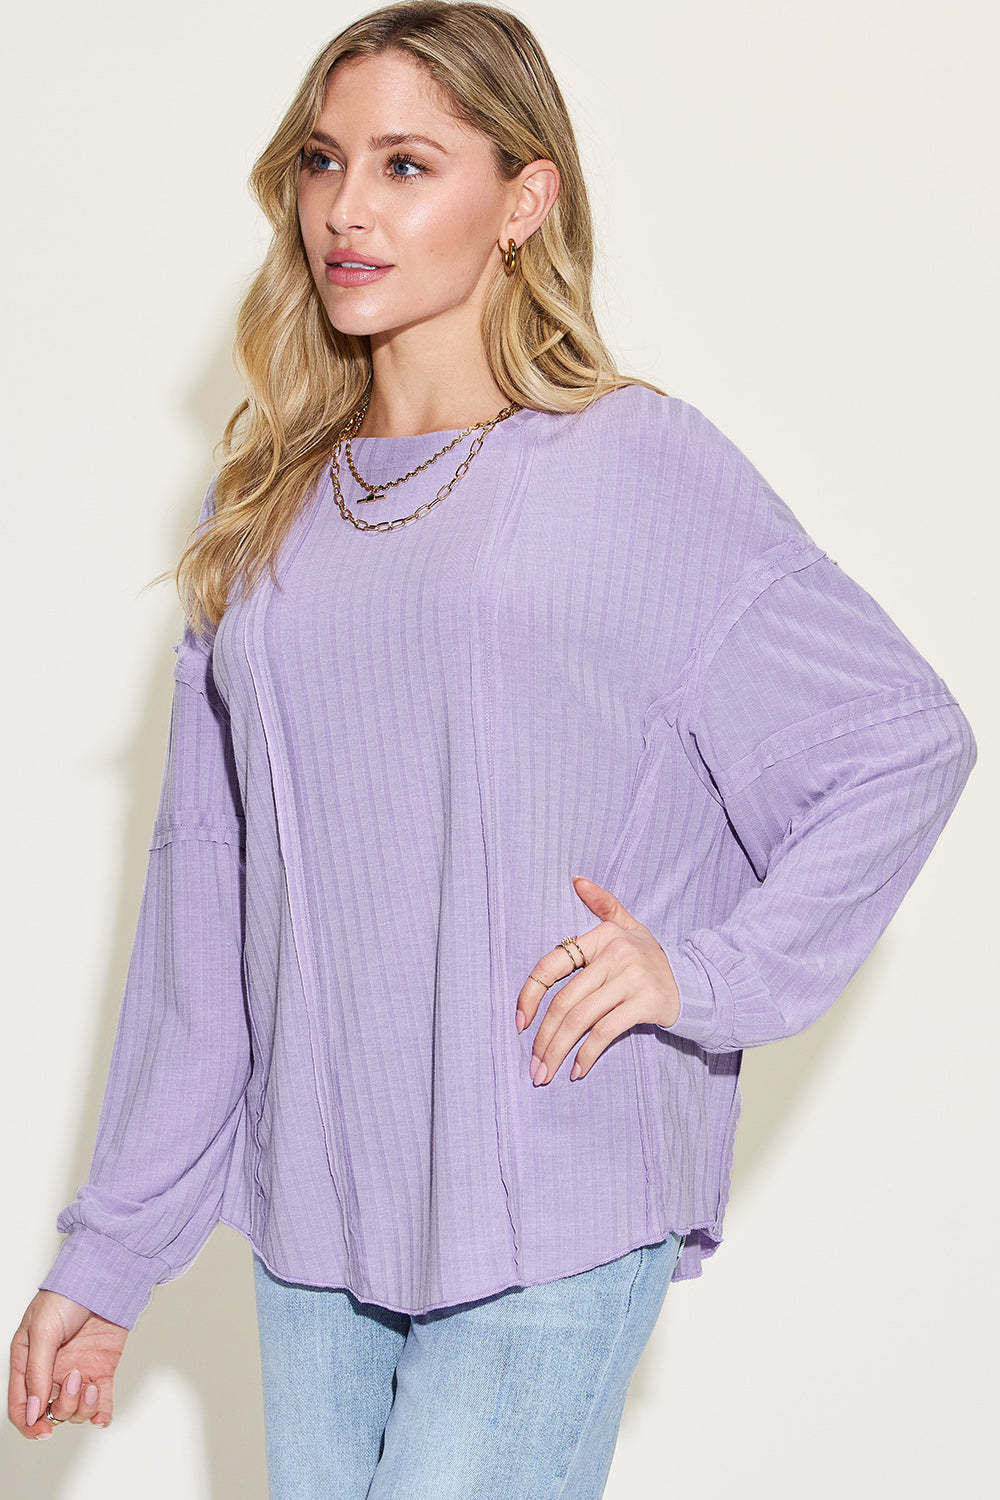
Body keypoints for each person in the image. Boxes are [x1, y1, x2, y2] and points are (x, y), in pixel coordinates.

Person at [9, 4, 978, 1495]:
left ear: (525, 200)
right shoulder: (259, 515)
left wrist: (704, 971)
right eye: (325, 161)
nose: (347, 207)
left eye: (407, 165)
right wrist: (114, 1252)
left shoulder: (632, 466)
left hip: (552, 1185)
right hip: (319, 1218)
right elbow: (206, 910)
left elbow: (900, 739)